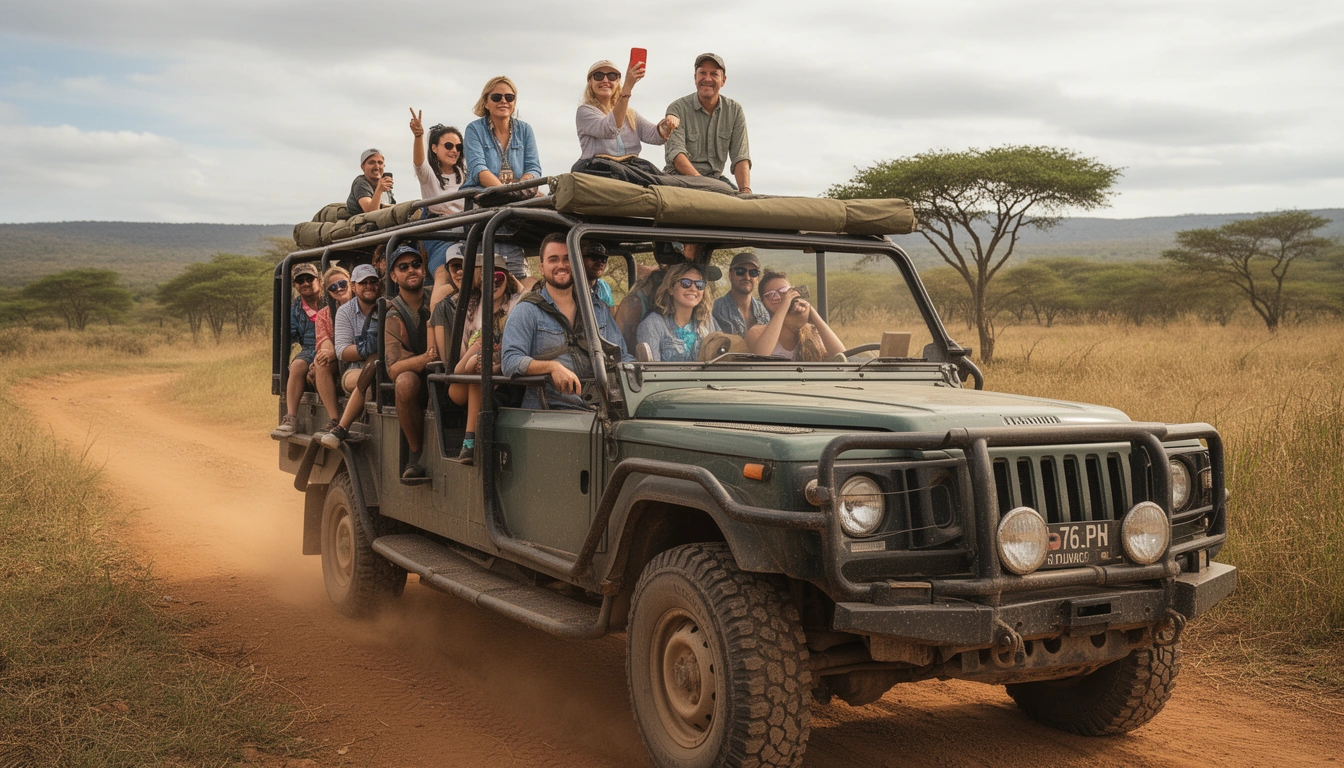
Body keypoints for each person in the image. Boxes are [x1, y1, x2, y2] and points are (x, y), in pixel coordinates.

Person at [501, 233, 632, 411]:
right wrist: (552, 367)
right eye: (553, 259)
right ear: (542, 267)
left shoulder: (597, 309)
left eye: (567, 259)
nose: (561, 265)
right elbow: (510, 361)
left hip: (602, 409)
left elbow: (622, 356)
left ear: (577, 263)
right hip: (551, 414)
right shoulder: (527, 310)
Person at [462, 76, 543, 281]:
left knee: (515, 274)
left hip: (514, 206)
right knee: (486, 277)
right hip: (484, 202)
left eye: (509, 97)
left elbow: (534, 168)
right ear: (486, 102)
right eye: (497, 96)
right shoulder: (474, 129)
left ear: (515, 102)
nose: (503, 101)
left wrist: (520, 188)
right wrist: (507, 194)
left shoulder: (525, 130)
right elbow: (479, 170)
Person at [449, 255, 524, 464]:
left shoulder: (516, 304)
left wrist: (510, 277)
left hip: (498, 372)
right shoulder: (470, 308)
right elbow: (459, 365)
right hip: (463, 378)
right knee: (475, 366)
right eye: (484, 278)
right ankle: (470, 440)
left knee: (479, 368)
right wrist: (476, 350)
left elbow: (532, 290)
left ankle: (469, 440)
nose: (492, 283)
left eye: (497, 276)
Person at [383, 245, 437, 480]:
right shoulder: (393, 313)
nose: (411, 270)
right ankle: (416, 454)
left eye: (416, 264)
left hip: (450, 371)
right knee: (405, 382)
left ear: (424, 270)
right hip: (420, 379)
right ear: (394, 276)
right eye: (403, 267)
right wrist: (425, 359)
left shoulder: (438, 296)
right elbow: (393, 368)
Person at [663, 53, 751, 193]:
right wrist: (704, 185)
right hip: (679, 178)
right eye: (702, 73)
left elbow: (740, 157)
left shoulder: (735, 111)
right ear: (695, 78)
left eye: (714, 74)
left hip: (715, 180)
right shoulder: (677, 108)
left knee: (742, 201)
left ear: (723, 80)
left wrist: (746, 191)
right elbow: (677, 155)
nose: (707, 78)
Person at [318, 263, 382, 450]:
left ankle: (342, 428)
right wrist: (368, 348)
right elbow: (342, 352)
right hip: (354, 368)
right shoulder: (345, 311)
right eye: (363, 283)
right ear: (354, 286)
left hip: (382, 363)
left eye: (373, 281)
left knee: (376, 366)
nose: (369, 286)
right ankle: (341, 426)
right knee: (369, 374)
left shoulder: (386, 305)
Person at [409, 108, 468, 294]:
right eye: (449, 146)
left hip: (468, 229)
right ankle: (435, 318)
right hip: (441, 232)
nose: (454, 151)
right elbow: (419, 163)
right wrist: (419, 136)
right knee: (444, 275)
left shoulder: (466, 173)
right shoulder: (429, 176)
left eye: (459, 147)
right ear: (434, 148)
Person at [575, 60, 678, 162]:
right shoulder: (584, 111)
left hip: (630, 166)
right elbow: (610, 129)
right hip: (598, 165)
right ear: (590, 82)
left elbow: (654, 136)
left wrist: (666, 125)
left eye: (612, 76)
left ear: (617, 81)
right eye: (598, 76)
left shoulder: (630, 114)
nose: (605, 80)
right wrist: (628, 86)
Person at [746, 270, 847, 361]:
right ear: (763, 302)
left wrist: (812, 312)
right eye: (771, 295)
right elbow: (761, 356)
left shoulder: (810, 331)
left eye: (785, 291)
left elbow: (841, 356)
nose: (780, 297)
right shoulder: (757, 332)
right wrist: (785, 304)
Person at [273, 263, 323, 438]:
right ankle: (291, 417)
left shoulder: (331, 298)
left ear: (319, 280)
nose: (305, 283)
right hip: (310, 349)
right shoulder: (295, 308)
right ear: (295, 285)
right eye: (300, 280)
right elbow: (289, 335)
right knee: (297, 366)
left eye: (309, 279)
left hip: (334, 346)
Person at [636, 263, 719, 361]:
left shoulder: (707, 321)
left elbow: (721, 356)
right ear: (671, 288)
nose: (693, 289)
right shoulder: (652, 324)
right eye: (685, 283)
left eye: (699, 284)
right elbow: (650, 373)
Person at [309, 265, 353, 432]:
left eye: (343, 283)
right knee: (321, 362)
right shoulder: (325, 314)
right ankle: (334, 418)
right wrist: (328, 353)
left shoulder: (362, 304)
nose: (339, 289)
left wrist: (335, 351)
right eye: (333, 287)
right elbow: (324, 341)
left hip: (356, 354)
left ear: (351, 283)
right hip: (339, 357)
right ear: (328, 291)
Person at [711, 250, 770, 335]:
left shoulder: (763, 311)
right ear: (730, 275)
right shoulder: (716, 309)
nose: (747, 277)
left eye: (753, 273)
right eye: (740, 271)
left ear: (757, 279)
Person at [347, 148, 396, 216]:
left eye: (380, 163)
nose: (376, 167)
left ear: (384, 166)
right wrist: (379, 190)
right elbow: (371, 213)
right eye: (371, 163)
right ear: (363, 167)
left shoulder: (384, 184)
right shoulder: (361, 184)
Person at [583, 241, 615, 307]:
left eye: (604, 259)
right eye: (594, 257)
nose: (600, 263)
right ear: (580, 258)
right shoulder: (571, 286)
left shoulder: (604, 287)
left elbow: (610, 312)